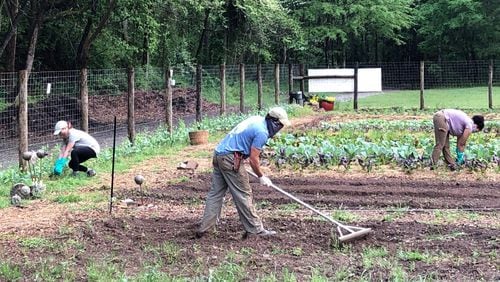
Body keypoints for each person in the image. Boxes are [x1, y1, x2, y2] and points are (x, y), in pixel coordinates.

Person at [196, 107, 291, 238]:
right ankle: (255, 230)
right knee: (243, 193)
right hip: (230, 158)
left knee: (215, 193)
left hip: (219, 154)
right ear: (273, 122)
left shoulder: (257, 120)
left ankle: (205, 229)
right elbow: (254, 159)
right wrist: (261, 176)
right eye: (279, 125)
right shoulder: (262, 132)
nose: (280, 128)